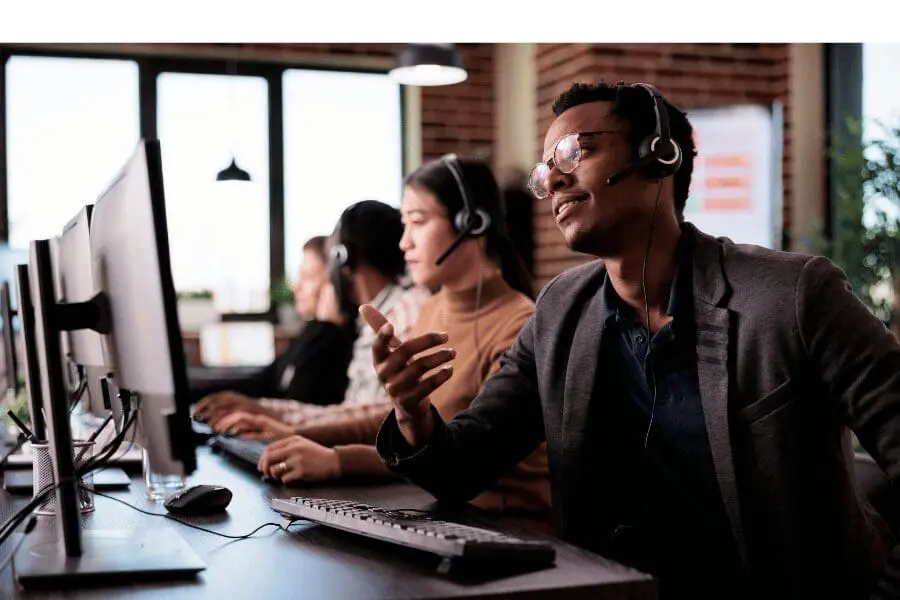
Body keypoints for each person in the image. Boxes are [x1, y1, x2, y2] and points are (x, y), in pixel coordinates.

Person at [366, 80, 900, 599]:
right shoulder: (559, 312)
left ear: (659, 155)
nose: (554, 181)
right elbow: (461, 468)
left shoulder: (794, 296)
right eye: (545, 171)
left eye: (574, 152)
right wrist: (413, 412)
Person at [250, 156, 552, 520]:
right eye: (403, 224)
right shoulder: (433, 309)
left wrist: (337, 460)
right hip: (444, 510)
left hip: (507, 523)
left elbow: (455, 455)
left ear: (471, 223)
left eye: (418, 222)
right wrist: (299, 432)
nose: (404, 242)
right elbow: (402, 421)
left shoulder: (519, 325)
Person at [194, 201, 429, 429]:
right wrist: (265, 411)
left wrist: (283, 424)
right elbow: (355, 413)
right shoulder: (374, 319)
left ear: (344, 259)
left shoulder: (401, 314)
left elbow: (381, 422)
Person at [189, 236, 355, 409]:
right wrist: (193, 392)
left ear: (335, 282)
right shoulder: (310, 334)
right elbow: (262, 381)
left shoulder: (333, 342)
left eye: (307, 277)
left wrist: (328, 324)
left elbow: (298, 405)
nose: (297, 286)